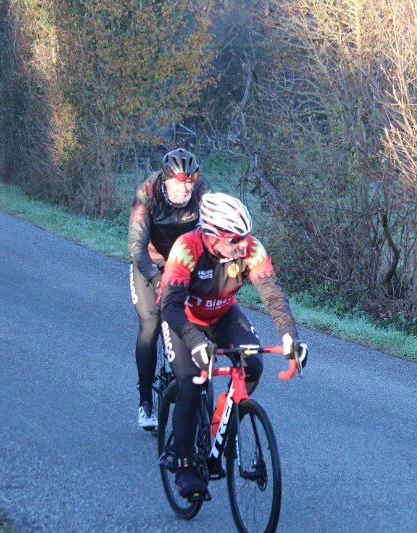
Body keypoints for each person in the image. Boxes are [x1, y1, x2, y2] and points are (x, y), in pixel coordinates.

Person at [158, 192, 308, 500]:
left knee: (252, 365)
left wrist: (289, 336)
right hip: (183, 318)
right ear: (211, 236)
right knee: (191, 381)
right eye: (235, 240)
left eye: (246, 236)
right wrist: (195, 341)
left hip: (223, 313)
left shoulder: (251, 247)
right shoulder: (186, 248)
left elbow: (272, 294)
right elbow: (169, 305)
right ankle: (184, 465)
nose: (243, 245)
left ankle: (219, 427)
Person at [128, 148, 211, 430]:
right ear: (165, 180)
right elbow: (137, 247)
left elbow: (216, 230)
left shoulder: (201, 191)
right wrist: (155, 278)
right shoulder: (147, 193)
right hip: (151, 262)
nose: (185, 188)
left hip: (185, 262)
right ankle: (145, 401)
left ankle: (192, 387)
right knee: (151, 324)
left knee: (197, 316)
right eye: (178, 182)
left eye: (190, 182)